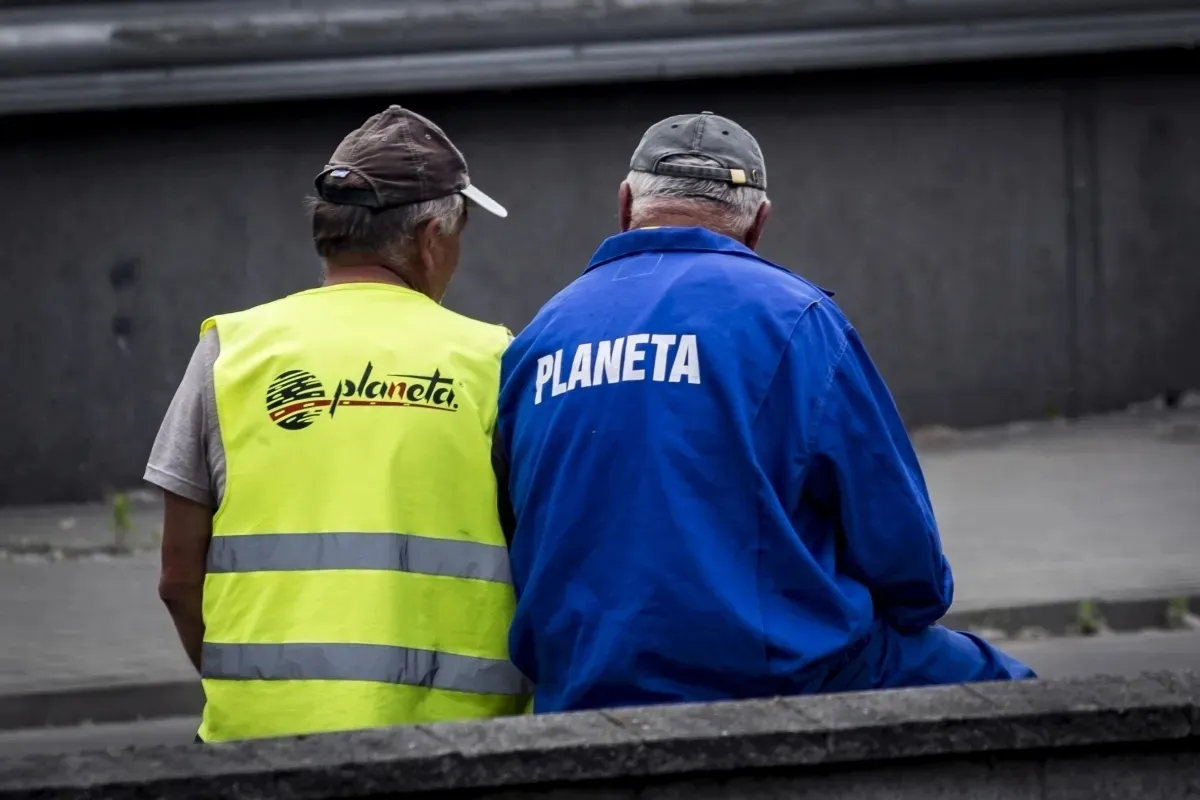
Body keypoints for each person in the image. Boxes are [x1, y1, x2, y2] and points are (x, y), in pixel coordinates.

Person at [494, 111, 1035, 714]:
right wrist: (912, 602)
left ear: (626, 204)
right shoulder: (796, 320)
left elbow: (519, 527)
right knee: (1017, 695)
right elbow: (903, 555)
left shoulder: (540, 337)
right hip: (775, 677)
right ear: (757, 223)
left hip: (581, 683)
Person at [145, 105, 531, 743]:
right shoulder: (493, 359)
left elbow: (177, 578)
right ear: (432, 236)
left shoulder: (230, 351)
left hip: (259, 739)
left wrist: (253, 692)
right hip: (455, 740)